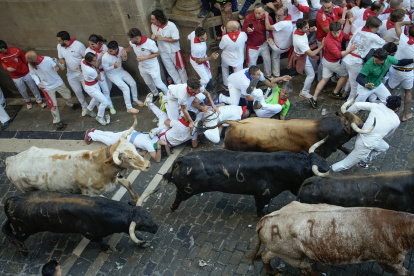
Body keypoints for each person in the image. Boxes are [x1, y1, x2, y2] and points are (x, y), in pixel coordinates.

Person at [332, 96, 401, 171]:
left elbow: (356, 105)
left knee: (384, 147)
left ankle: (363, 160)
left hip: (362, 134)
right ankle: (325, 172)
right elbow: (387, 135)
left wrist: (346, 117)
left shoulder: (377, 106)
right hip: (366, 144)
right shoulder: (396, 121)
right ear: (397, 108)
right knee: (345, 164)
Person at [311, 21, 357, 108]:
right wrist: (350, 49)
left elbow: (345, 36)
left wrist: (352, 37)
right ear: (330, 31)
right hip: (332, 62)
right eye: (333, 32)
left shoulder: (340, 32)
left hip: (326, 61)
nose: (336, 34)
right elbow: (339, 54)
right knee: (345, 74)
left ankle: (314, 98)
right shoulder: (329, 41)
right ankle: (335, 92)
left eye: (338, 32)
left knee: (324, 80)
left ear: (340, 30)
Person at [26, 50, 76, 130]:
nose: (27, 61)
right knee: (53, 105)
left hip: (58, 82)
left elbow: (56, 66)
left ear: (33, 59)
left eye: (29, 60)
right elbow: (33, 74)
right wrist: (38, 83)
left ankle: (70, 104)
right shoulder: (31, 64)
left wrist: (57, 67)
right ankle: (57, 121)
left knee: (68, 95)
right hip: (47, 87)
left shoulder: (47, 60)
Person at [342, 16, 385, 101]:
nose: (378, 29)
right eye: (377, 27)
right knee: (355, 86)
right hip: (355, 62)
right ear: (372, 27)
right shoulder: (373, 36)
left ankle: (346, 92)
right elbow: (383, 43)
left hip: (347, 58)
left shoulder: (359, 29)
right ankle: (349, 104)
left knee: (351, 81)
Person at [123, 28, 168, 102]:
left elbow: (157, 53)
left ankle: (168, 95)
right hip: (142, 67)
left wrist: (145, 58)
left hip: (152, 67)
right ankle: (156, 94)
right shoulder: (133, 43)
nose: (130, 41)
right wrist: (124, 50)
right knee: (148, 83)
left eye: (131, 39)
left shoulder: (150, 43)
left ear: (137, 38)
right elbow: (131, 47)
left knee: (159, 84)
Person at [0, 40, 46, 109]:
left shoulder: (16, 51)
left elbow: (25, 61)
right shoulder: (1, 55)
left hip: (26, 73)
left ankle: (39, 100)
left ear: (2, 48)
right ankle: (27, 101)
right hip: (15, 76)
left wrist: (30, 70)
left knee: (33, 87)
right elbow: (3, 63)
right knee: (22, 90)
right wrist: (7, 68)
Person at [288, 19, 324, 104]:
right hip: (302, 58)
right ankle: (304, 92)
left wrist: (309, 30)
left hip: (303, 55)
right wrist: (322, 45)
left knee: (312, 68)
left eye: (308, 26)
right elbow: (312, 53)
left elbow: (305, 33)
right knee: (310, 75)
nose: (308, 28)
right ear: (300, 29)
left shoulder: (297, 30)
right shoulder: (299, 41)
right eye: (306, 27)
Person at [85, 128, 170, 163]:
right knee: (110, 142)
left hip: (131, 132)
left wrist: (165, 144)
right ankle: (91, 135)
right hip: (127, 138)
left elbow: (168, 153)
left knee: (113, 135)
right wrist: (158, 148)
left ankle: (95, 131)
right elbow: (157, 160)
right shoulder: (150, 145)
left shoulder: (156, 138)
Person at [219, 65, 291, 106]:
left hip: (242, 83)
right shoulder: (245, 83)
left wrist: (273, 87)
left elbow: (265, 80)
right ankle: (222, 97)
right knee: (235, 103)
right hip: (233, 84)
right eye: (258, 74)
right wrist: (261, 97)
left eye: (260, 73)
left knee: (249, 93)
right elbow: (247, 98)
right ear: (252, 75)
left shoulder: (257, 73)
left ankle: (242, 94)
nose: (260, 75)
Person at [56, 31, 90, 116]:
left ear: (65, 40)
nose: (58, 42)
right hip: (71, 74)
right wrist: (62, 64)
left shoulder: (78, 45)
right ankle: (84, 106)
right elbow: (61, 58)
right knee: (77, 91)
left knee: (89, 90)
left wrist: (81, 66)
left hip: (82, 73)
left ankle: (96, 105)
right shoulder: (59, 46)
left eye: (60, 40)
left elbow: (85, 57)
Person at [150, 9, 188, 85]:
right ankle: (178, 85)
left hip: (174, 51)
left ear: (159, 19)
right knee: (170, 70)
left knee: (180, 68)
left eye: (153, 19)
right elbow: (155, 37)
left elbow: (176, 39)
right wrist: (153, 37)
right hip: (163, 51)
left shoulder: (171, 26)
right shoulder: (153, 26)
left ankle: (185, 84)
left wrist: (163, 38)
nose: (151, 21)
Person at [101, 41, 139, 114]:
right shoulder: (105, 57)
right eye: (108, 50)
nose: (109, 51)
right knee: (125, 88)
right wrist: (113, 66)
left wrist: (125, 57)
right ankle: (129, 108)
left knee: (133, 83)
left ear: (116, 49)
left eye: (111, 50)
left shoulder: (121, 49)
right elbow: (105, 69)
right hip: (112, 75)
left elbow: (125, 59)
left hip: (121, 71)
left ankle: (135, 100)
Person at [387, 20, 414, 121]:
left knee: (389, 89)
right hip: (408, 72)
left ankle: (384, 109)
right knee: (408, 92)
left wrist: (410, 22)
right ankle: (404, 115)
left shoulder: (403, 38)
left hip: (395, 69)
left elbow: (397, 24)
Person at [85, 34, 116, 114]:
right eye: (89, 44)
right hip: (98, 72)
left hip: (107, 71)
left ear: (98, 42)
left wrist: (103, 55)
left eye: (92, 44)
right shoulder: (88, 51)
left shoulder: (104, 47)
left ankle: (103, 102)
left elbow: (110, 56)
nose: (91, 46)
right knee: (105, 89)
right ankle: (110, 106)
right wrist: (98, 64)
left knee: (109, 87)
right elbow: (91, 64)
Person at [242, 3, 273, 78]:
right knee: (252, 64)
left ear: (264, 12)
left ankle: (268, 75)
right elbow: (243, 30)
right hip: (252, 46)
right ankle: (251, 78)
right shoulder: (248, 18)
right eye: (255, 12)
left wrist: (271, 37)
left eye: (259, 13)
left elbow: (272, 29)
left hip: (263, 43)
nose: (256, 14)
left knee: (267, 60)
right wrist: (247, 30)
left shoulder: (268, 18)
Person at [81, 53, 110, 125]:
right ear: (88, 61)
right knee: (105, 102)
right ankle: (99, 116)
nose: (96, 61)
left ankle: (89, 110)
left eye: (95, 59)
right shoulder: (90, 70)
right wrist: (97, 67)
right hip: (91, 88)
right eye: (93, 61)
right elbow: (99, 78)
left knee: (96, 98)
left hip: (93, 85)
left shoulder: (82, 61)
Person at [265, 8, 293, 78]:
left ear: (285, 15)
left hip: (278, 48)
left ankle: (276, 75)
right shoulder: (288, 18)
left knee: (264, 33)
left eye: (279, 16)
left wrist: (266, 16)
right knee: (275, 56)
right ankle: (277, 75)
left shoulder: (283, 23)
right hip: (287, 46)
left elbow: (268, 27)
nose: (277, 17)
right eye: (276, 15)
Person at [219, 20, 247, 90]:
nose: (225, 28)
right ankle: (237, 87)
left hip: (227, 58)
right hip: (238, 59)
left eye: (227, 27)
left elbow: (221, 46)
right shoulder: (243, 35)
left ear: (231, 30)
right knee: (238, 74)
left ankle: (226, 84)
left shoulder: (225, 38)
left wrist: (223, 34)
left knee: (225, 68)